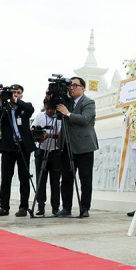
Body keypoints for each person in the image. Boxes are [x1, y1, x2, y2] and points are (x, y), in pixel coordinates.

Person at [55, 76, 98, 218]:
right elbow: (51, 105)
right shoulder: (65, 102)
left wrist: (67, 113)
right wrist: (52, 91)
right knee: (66, 178)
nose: (71, 88)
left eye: (75, 85)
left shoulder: (89, 102)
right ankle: (66, 208)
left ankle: (84, 208)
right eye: (70, 85)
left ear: (82, 88)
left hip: (84, 146)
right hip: (67, 145)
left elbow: (84, 119)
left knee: (85, 179)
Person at [0, 85, 35, 217]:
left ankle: (23, 207)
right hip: (8, 147)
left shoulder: (25, 107)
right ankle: (4, 207)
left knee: (24, 178)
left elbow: (30, 110)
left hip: (23, 147)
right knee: (6, 179)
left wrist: (15, 100)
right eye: (13, 93)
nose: (15, 95)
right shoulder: (4, 109)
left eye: (18, 93)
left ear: (22, 95)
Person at [32, 99, 62, 216]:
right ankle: (40, 207)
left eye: (51, 108)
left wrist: (49, 135)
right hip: (41, 151)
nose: (49, 111)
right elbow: (33, 129)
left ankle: (55, 207)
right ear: (44, 106)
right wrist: (37, 133)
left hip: (55, 152)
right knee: (41, 181)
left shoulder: (59, 117)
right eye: (47, 108)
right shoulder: (39, 116)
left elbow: (61, 133)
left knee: (55, 182)